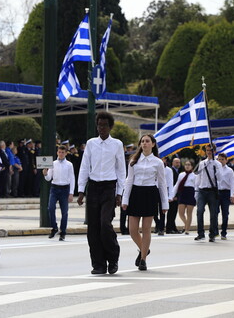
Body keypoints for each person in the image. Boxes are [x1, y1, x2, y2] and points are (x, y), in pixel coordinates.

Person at [77, 111, 126, 275]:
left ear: (110, 127)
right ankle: (98, 264)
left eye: (105, 125)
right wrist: (81, 190)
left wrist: (120, 193)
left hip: (109, 188)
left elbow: (121, 169)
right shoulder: (91, 144)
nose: (101, 128)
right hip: (94, 188)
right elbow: (84, 167)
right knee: (93, 228)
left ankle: (113, 259)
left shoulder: (117, 144)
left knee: (105, 225)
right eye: (99, 125)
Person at [122, 134, 168, 271]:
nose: (144, 144)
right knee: (132, 230)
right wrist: (125, 199)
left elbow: (162, 183)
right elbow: (129, 180)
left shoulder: (158, 162)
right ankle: (144, 249)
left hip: (150, 194)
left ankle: (143, 259)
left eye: (147, 141)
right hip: (135, 193)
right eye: (142, 141)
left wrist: (165, 204)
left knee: (146, 228)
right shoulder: (133, 161)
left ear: (153, 144)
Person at [43, 145, 75, 241]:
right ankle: (54, 227)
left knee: (64, 212)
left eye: (63, 152)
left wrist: (71, 193)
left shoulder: (69, 164)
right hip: (55, 188)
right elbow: (49, 178)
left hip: (65, 188)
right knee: (50, 207)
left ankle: (63, 231)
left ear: (65, 153)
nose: (61, 154)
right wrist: (45, 174)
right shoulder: (53, 163)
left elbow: (72, 178)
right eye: (59, 152)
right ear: (57, 152)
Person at [194, 144, 223, 242]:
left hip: (212, 191)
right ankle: (200, 233)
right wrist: (196, 190)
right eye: (207, 150)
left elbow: (220, 178)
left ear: (214, 151)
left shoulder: (217, 164)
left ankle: (212, 234)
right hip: (202, 190)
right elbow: (198, 177)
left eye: (210, 150)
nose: (208, 152)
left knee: (213, 214)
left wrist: (216, 169)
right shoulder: (202, 163)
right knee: (199, 211)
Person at [173, 160, 197, 235]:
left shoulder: (195, 176)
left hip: (190, 193)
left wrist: (196, 197)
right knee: (181, 213)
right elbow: (177, 185)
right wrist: (172, 195)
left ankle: (187, 230)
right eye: (186, 164)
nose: (187, 166)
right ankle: (187, 224)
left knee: (189, 213)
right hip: (182, 192)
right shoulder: (181, 174)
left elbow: (196, 187)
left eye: (189, 165)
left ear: (192, 166)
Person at [217, 153, 234, 240]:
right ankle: (214, 231)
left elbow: (232, 184)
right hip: (216, 193)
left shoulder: (229, 171)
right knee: (214, 212)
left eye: (222, 159)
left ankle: (223, 232)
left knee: (225, 214)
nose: (220, 161)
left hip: (225, 193)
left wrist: (232, 195)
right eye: (219, 159)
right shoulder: (215, 169)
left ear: (226, 160)